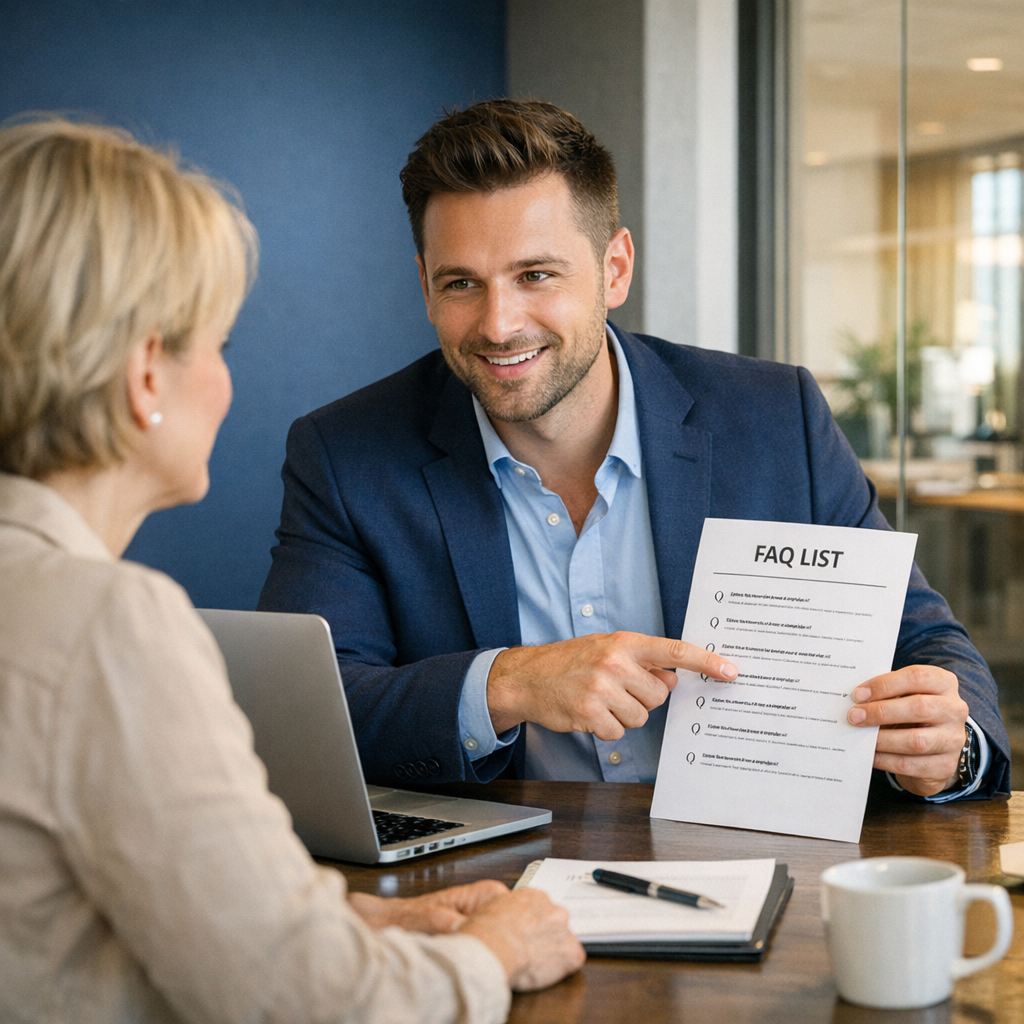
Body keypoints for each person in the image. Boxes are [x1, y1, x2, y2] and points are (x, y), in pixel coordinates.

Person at [0, 116, 583, 1024]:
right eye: (220, 345)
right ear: (148, 372)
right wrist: (491, 954)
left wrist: (338, 922)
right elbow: (314, 1007)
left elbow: (64, 907)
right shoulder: (108, 626)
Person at [259, 99, 1009, 802]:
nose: (498, 323)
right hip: (496, 889)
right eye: (462, 284)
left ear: (615, 269)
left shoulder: (776, 417)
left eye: (537, 275)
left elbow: (924, 639)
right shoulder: (345, 454)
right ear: (425, 285)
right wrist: (509, 684)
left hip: (759, 854)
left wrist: (954, 746)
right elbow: (310, 713)